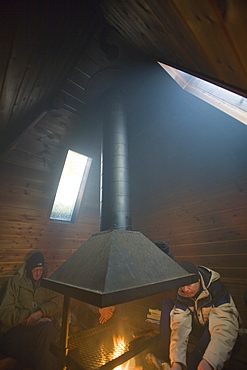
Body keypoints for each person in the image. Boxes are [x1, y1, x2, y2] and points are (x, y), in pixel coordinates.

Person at [146, 261, 239, 370]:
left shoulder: (215, 288)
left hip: (215, 328)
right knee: (167, 303)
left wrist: (209, 362)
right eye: (182, 286)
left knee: (199, 362)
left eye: (189, 285)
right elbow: (179, 325)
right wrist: (177, 361)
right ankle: (164, 358)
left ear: (198, 280)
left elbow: (224, 325)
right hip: (196, 324)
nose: (185, 289)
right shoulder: (182, 292)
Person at [0, 251, 60, 370]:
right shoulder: (16, 283)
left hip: (38, 327)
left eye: (40, 270)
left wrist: (41, 313)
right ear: (28, 269)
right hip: (16, 328)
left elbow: (56, 302)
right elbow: (5, 313)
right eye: (35, 270)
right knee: (39, 347)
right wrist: (29, 317)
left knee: (48, 329)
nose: (38, 274)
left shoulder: (45, 283)